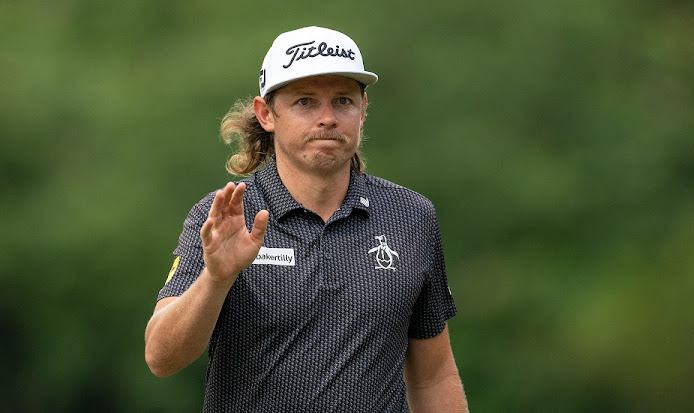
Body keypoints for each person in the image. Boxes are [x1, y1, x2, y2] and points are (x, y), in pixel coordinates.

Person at [144, 26, 467, 412]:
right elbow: (161, 358)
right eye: (305, 102)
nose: (328, 118)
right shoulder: (226, 214)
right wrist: (216, 279)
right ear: (267, 114)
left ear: (363, 110)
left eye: (343, 101)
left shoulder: (411, 216)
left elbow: (434, 377)